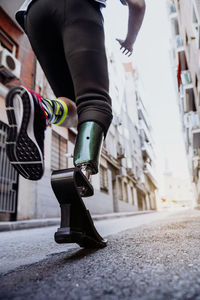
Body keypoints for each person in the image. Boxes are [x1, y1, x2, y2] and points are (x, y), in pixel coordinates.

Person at [6, 0, 146, 181]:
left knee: (74, 108)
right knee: (95, 103)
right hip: (78, 8)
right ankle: (84, 170)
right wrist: (129, 41)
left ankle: (43, 108)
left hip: (35, 15)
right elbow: (138, 4)